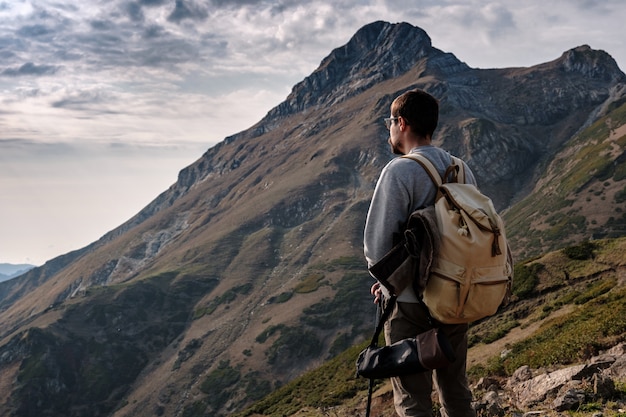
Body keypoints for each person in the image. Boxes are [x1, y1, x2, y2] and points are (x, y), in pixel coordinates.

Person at [363, 89, 477, 417]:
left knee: (413, 397)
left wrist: (387, 282)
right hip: (456, 296)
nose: (390, 130)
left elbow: (377, 247)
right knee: (456, 389)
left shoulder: (400, 171)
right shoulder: (460, 169)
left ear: (402, 123)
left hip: (411, 304)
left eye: (390, 123)